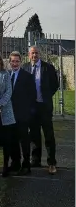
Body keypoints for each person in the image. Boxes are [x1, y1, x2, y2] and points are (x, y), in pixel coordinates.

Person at [23, 46, 59, 174]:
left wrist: (47, 96)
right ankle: (35, 160)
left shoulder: (48, 68)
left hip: (44, 106)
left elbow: (55, 84)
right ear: (29, 55)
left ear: (39, 54)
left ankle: (51, 162)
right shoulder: (25, 67)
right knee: (34, 135)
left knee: (48, 135)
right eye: (32, 53)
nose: (34, 55)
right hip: (32, 108)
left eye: (36, 53)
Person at [9, 51, 37, 175]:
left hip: (23, 115)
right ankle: (15, 163)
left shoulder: (27, 76)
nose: (15, 63)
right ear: (9, 62)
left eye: (17, 61)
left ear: (20, 62)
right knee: (12, 139)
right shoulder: (6, 75)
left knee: (24, 140)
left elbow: (33, 96)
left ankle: (26, 164)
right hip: (10, 114)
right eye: (13, 61)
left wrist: (29, 113)